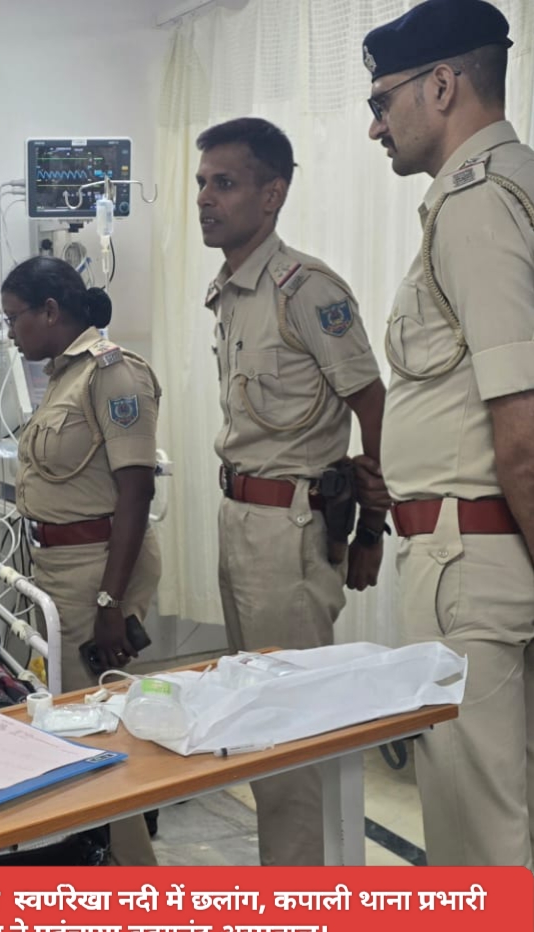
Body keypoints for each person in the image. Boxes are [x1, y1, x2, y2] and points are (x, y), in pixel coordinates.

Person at [361, 0, 534, 867]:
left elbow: (521, 436)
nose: (373, 126)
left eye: (381, 101)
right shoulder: (519, 187)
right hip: (494, 552)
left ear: (440, 86)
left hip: (473, 562)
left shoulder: (474, 207)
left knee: (477, 842)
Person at [195, 117, 388, 866]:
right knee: (255, 716)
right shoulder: (230, 292)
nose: (205, 199)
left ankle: (304, 897)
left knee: (291, 727)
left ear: (271, 194)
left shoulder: (306, 289)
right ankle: (286, 877)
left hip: (292, 529)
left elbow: (372, 403)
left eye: (224, 183)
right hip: (239, 518)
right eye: (202, 184)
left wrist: (369, 530)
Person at [2, 255, 162, 867]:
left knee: (94, 731)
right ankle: (102, 856)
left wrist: (109, 602)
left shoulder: (113, 374)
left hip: (96, 567)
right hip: (61, 567)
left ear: (50, 311)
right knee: (75, 724)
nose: (11, 331)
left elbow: (136, 490)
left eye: (15, 317)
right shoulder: (64, 376)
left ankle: (132, 874)